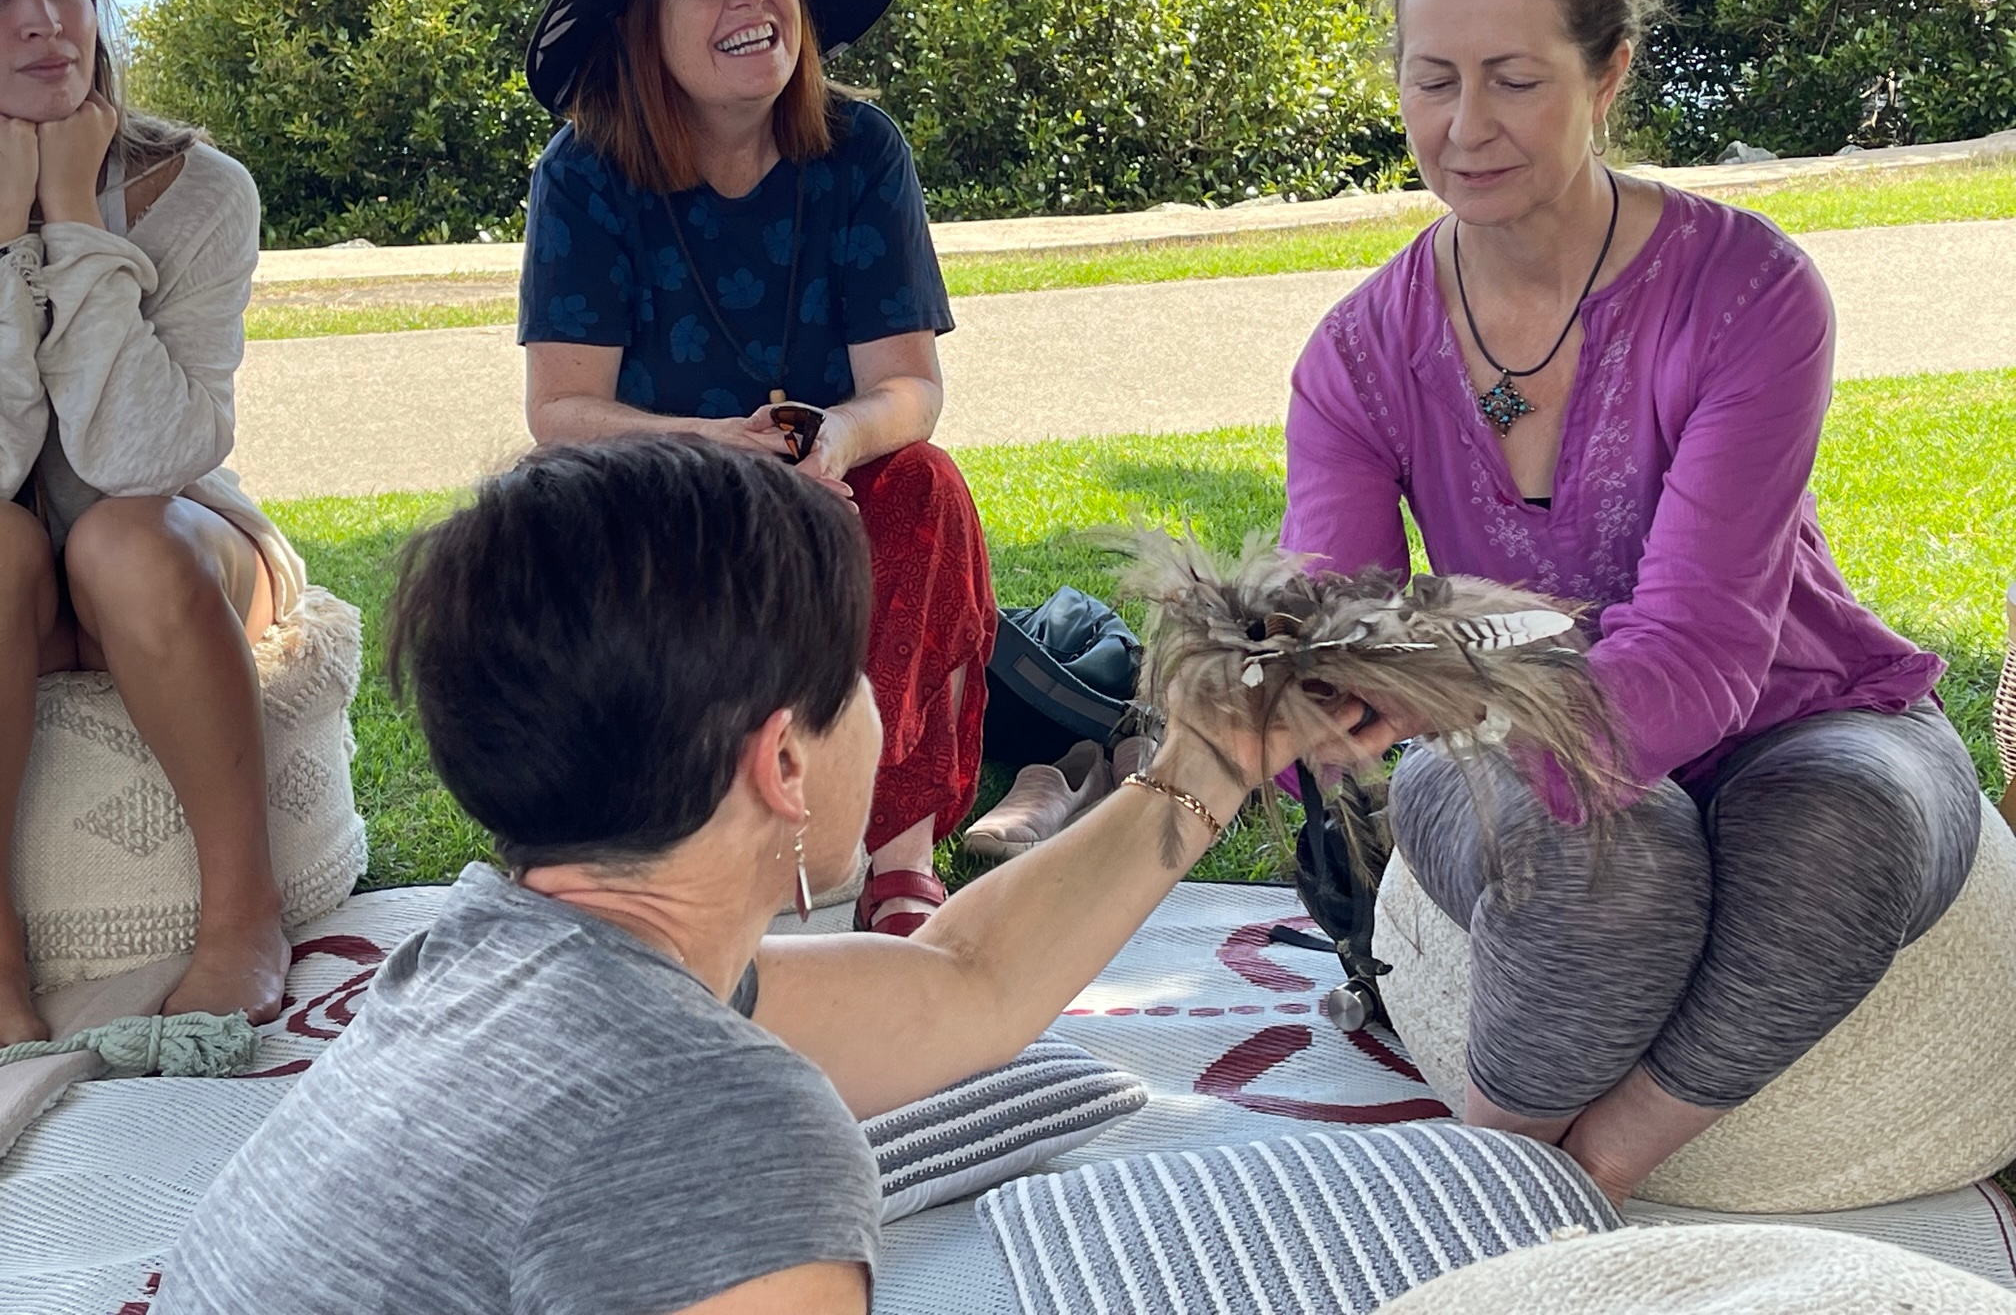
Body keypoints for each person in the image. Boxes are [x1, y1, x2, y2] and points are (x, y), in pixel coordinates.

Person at [154, 435, 1390, 1314]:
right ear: (784, 762)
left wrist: (1214, 758)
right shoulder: (730, 1135)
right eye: (855, 679)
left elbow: (963, 983)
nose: (882, 715)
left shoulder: (489, 961)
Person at [1282, 0, 1982, 1204]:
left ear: (1609, 75)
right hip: (1502, 727)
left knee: (1847, 831)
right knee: (1606, 867)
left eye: (1513, 77)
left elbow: (1711, 648)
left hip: (1805, 707)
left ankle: (1576, 1182)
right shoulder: (1357, 354)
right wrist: (1322, 689)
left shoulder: (1752, 289)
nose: (1465, 125)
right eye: (1433, 78)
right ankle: (1500, 1180)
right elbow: (1345, 608)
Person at [516, 0, 994, 937]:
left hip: (831, 490)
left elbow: (909, 388)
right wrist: (710, 449)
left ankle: (896, 851)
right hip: (662, 505)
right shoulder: (582, 175)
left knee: (925, 485)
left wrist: (836, 438)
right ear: (643, 22)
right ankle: (660, 834)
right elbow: (562, 416)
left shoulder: (862, 150)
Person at [0, 0, 308, 1044]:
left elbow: (145, 455)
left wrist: (74, 221)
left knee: (117, 535)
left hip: (184, 543)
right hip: (21, 578)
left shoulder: (202, 192)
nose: (42, 20)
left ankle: (245, 916)